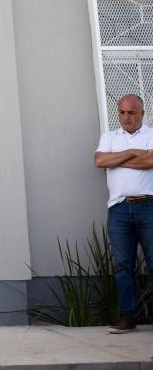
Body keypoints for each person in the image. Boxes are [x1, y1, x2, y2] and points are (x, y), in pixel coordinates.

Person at [94, 94, 153, 334]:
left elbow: (151, 161)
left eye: (131, 112)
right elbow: (99, 161)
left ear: (142, 113)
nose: (126, 117)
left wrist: (116, 159)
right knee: (123, 266)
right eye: (122, 112)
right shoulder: (109, 137)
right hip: (118, 209)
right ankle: (127, 317)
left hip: (148, 207)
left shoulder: (151, 133)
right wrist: (134, 153)